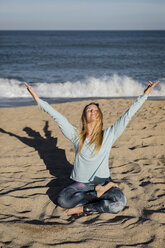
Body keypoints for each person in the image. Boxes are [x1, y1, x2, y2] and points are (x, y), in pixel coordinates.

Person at [24, 81, 159, 216]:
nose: (92, 111)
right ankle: (99, 193)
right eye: (89, 109)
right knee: (62, 200)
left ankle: (84, 208)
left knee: (120, 202)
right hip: (82, 184)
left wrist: (144, 95)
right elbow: (58, 117)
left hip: (103, 181)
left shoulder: (109, 135)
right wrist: (37, 99)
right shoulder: (77, 136)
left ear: (99, 115)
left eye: (95, 110)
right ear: (85, 115)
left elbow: (127, 116)